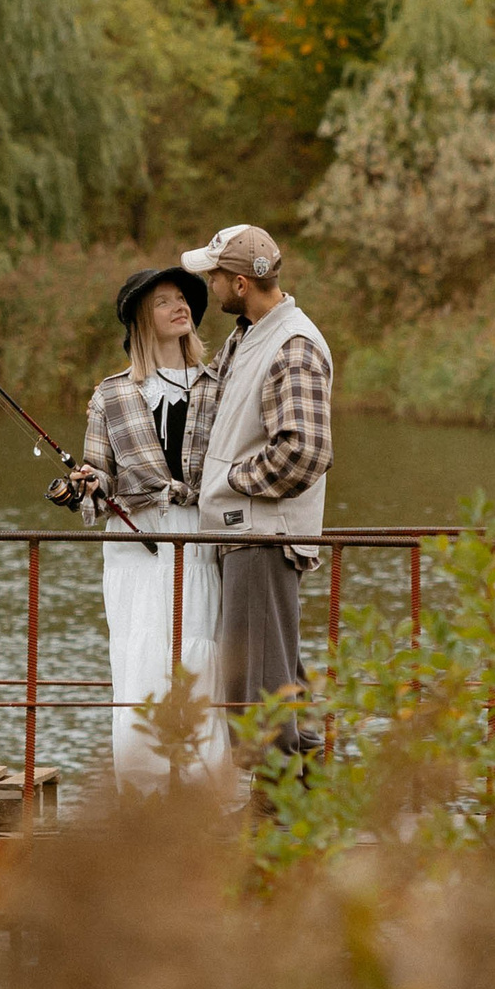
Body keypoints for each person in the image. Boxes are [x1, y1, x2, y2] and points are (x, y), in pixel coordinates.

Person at [59, 266, 229, 789]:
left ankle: (202, 790)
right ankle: (143, 797)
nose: (179, 307)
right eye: (163, 302)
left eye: (183, 299)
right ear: (140, 319)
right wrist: (84, 484)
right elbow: (98, 480)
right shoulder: (110, 395)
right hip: (134, 545)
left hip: (197, 535)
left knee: (198, 651)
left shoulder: (217, 385)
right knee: (141, 657)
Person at [177, 224, 333, 769]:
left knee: (256, 691)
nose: (209, 285)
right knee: (280, 682)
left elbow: (306, 452)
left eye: (214, 275)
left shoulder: (293, 346)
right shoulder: (250, 334)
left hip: (262, 538)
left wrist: (232, 482)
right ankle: (307, 807)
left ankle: (277, 817)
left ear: (240, 283)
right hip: (247, 536)